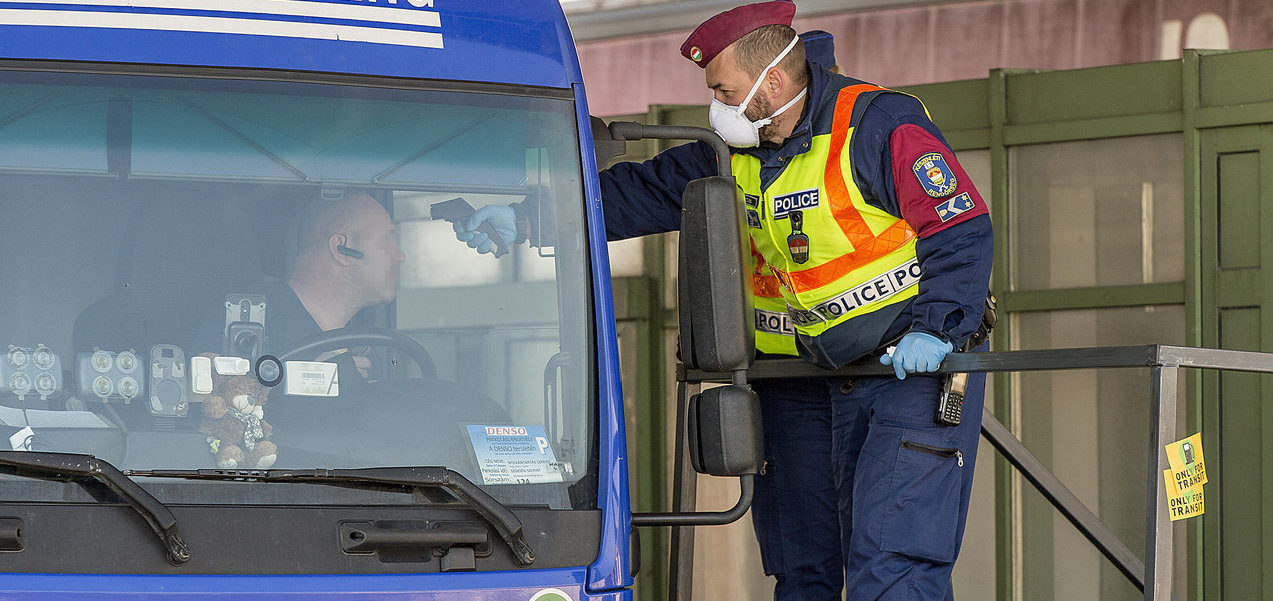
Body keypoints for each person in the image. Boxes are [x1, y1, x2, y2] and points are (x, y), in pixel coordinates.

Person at [455, 3, 991, 599]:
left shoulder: (877, 125)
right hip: (797, 378)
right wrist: (527, 217)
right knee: (803, 568)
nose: (717, 106)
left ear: (776, 81)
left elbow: (958, 226)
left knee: (891, 565)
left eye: (724, 90)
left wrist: (940, 329)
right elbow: (637, 193)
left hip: (903, 370)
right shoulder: (727, 151)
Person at [199, 190, 406, 382]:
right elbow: (207, 406)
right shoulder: (244, 317)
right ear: (341, 248)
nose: (400, 256)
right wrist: (305, 383)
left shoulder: (363, 349)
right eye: (386, 240)